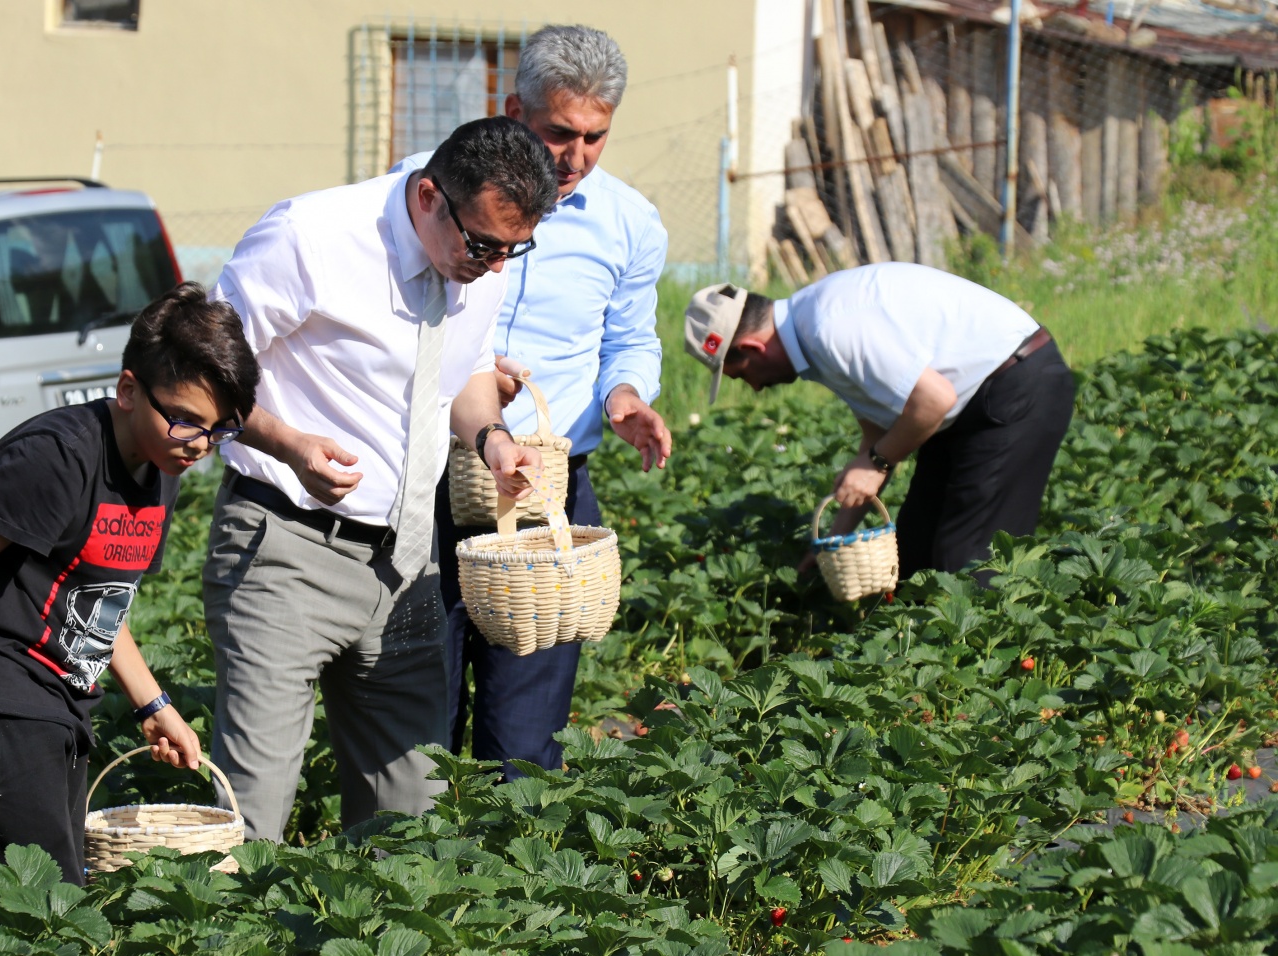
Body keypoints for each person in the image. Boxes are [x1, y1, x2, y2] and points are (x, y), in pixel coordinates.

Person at [204, 116, 559, 840]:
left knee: (413, 818)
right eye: (484, 244)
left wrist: (491, 439)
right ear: (429, 195)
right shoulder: (311, 237)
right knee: (251, 814)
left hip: (406, 561)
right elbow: (198, 371)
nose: (495, 267)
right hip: (285, 546)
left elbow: (459, 374)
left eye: (513, 250)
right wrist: (290, 443)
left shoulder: (479, 270)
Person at [0, 281, 259, 911]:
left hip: (62, 701)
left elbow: (102, 598)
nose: (198, 442)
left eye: (218, 429)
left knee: (51, 899)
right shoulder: (56, 459)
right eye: (186, 419)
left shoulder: (160, 464)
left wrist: (153, 703)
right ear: (129, 389)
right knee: (41, 910)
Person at [391, 24, 672, 781]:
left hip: (547, 488)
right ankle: (414, 871)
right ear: (514, 107)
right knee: (419, 709)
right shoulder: (431, 189)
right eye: (557, 132)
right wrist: (466, 377)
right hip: (430, 483)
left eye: (595, 137)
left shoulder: (629, 223)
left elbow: (631, 339)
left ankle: (507, 879)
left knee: (526, 726)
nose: (574, 157)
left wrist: (624, 397)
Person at [684, 262, 1074, 579]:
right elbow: (878, 438)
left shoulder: (828, 328)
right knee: (916, 549)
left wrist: (878, 463)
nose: (754, 387)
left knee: (969, 559)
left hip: (1013, 388)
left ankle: (994, 670)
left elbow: (933, 401)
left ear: (752, 348)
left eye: (741, 376)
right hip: (973, 401)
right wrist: (833, 542)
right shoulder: (811, 331)